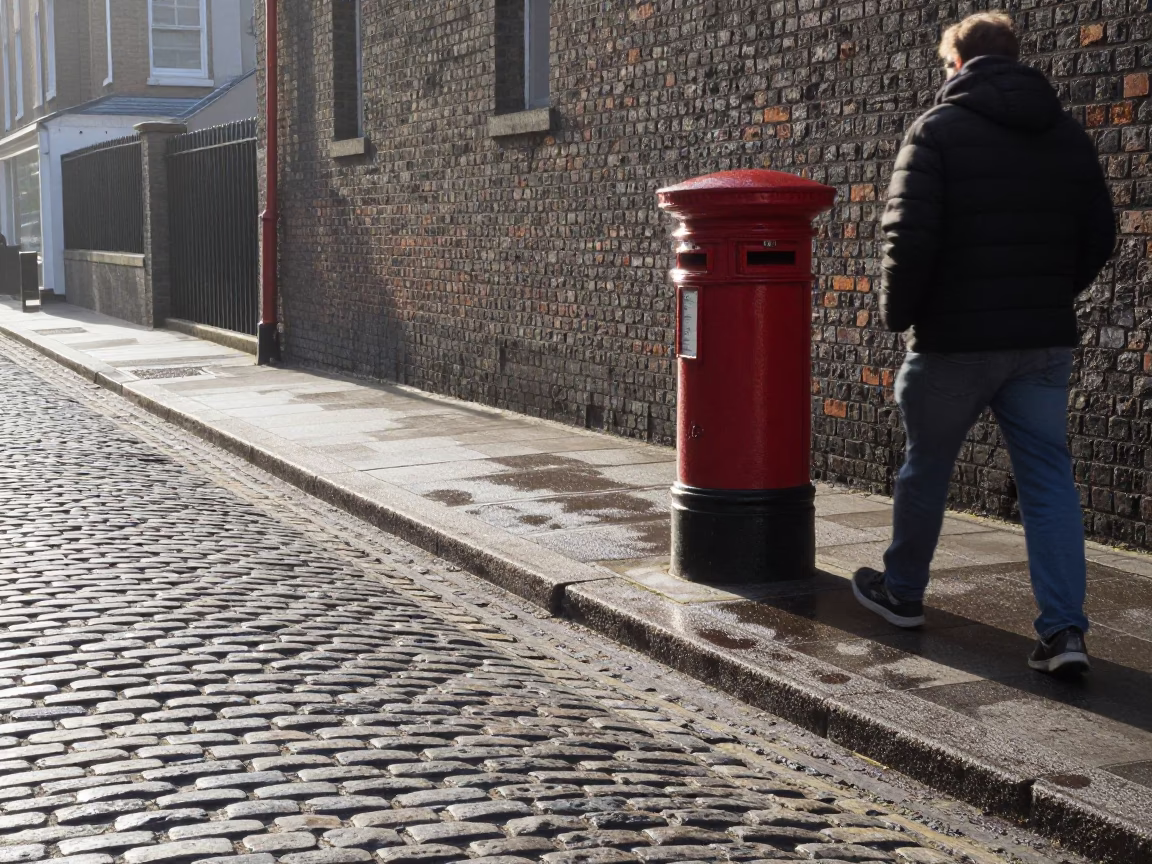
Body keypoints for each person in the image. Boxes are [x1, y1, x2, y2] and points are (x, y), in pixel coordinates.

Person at [851, 12, 1116, 676]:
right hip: (1041, 342)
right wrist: (1053, 291)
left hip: (954, 340)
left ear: (957, 64)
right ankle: (1064, 633)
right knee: (1049, 482)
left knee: (927, 468)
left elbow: (907, 238)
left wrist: (901, 316)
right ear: (1016, 60)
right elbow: (1099, 236)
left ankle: (904, 593)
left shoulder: (936, 131)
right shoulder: (1066, 137)